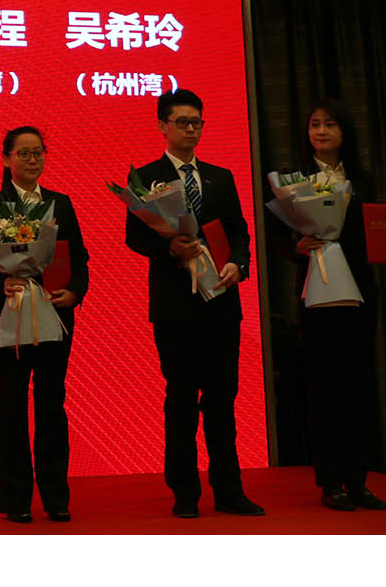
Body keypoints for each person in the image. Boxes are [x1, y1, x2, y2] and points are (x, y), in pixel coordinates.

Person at [125, 88, 262, 519]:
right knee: (181, 398)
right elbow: (134, 237)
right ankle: (184, 491)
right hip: (176, 305)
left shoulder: (221, 177)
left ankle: (229, 489)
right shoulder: (146, 177)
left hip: (221, 300)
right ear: (162, 125)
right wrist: (169, 248)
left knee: (222, 399)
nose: (190, 129)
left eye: (196, 122)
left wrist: (239, 262)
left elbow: (239, 231)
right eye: (181, 122)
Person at [289, 98, 386, 511]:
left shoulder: (362, 179)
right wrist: (296, 246)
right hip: (317, 294)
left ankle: (358, 480)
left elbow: (373, 233)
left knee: (358, 388)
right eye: (315, 124)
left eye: (330, 124)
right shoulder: (294, 180)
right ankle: (331, 482)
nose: (321, 131)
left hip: (358, 295)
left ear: (345, 132)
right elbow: (279, 238)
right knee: (325, 389)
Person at [0, 126, 88, 524]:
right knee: (11, 402)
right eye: (23, 153)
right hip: (11, 311)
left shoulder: (60, 203)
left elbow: (79, 258)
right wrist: (0, 282)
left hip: (55, 312)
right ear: (7, 158)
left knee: (52, 402)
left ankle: (56, 497)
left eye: (38, 152)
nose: (32, 160)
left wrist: (75, 292)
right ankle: (16, 498)